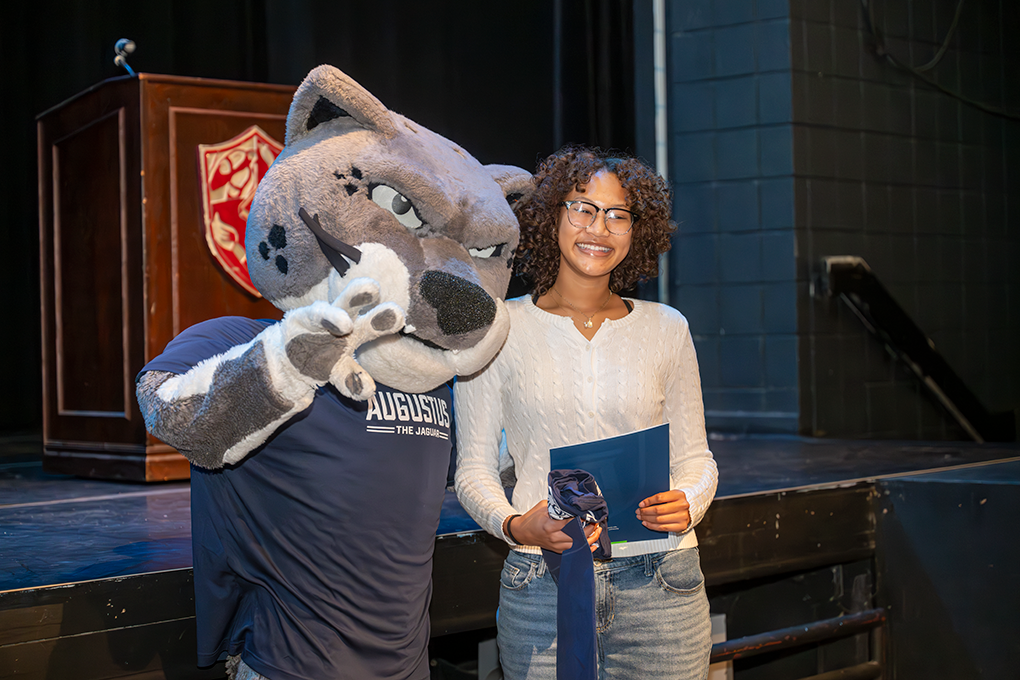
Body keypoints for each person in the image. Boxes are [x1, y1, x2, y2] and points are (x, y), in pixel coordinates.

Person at [454, 146, 718, 679]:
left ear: (635, 232)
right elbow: (473, 472)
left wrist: (688, 503)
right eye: (583, 208)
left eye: (619, 214)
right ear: (551, 216)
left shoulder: (668, 328)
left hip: (663, 584)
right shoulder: (498, 328)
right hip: (542, 583)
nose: (600, 227)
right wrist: (514, 524)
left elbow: (697, 459)